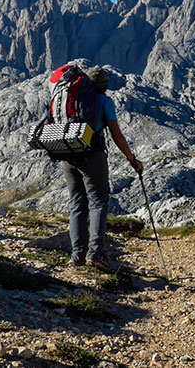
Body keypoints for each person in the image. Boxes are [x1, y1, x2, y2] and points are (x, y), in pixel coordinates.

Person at [62, 66, 143, 270]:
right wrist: (132, 159)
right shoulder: (105, 102)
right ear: (104, 86)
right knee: (98, 202)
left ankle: (77, 255)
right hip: (92, 156)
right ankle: (96, 255)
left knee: (77, 203)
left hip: (67, 155)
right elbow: (116, 135)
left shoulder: (71, 98)